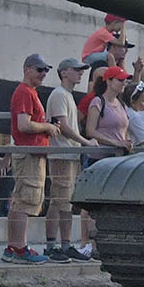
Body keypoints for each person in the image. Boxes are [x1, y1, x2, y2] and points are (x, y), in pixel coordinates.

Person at [5, 54, 58, 264]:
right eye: (39, 69)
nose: (43, 74)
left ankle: (16, 246)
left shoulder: (29, 92)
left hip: (32, 153)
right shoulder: (24, 92)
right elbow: (24, 125)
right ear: (27, 69)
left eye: (46, 70)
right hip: (28, 153)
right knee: (25, 200)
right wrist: (48, 127)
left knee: (23, 199)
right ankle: (19, 248)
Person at [44, 59, 94, 262]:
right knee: (61, 201)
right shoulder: (59, 94)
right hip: (62, 154)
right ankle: (56, 245)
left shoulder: (67, 95)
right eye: (76, 70)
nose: (80, 73)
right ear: (64, 72)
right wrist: (85, 142)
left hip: (69, 154)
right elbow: (63, 126)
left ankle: (62, 244)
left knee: (63, 201)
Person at [83, 67, 133, 151]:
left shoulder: (122, 104)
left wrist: (127, 141)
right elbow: (90, 131)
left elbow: (124, 130)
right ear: (108, 81)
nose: (124, 83)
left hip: (118, 155)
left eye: (125, 80)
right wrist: (114, 142)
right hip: (100, 155)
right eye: (120, 80)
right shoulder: (97, 102)